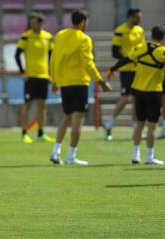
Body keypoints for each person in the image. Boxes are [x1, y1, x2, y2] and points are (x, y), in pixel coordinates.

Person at [49, 10, 112, 165]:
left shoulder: (61, 35)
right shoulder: (84, 39)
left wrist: (55, 80)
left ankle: (56, 151)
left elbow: (54, 58)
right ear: (83, 22)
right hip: (79, 82)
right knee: (78, 118)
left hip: (64, 83)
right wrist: (100, 81)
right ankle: (71, 156)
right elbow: (88, 63)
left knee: (67, 116)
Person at [107, 26, 165, 165]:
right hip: (154, 92)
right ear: (163, 38)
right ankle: (149, 157)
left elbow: (126, 59)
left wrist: (112, 69)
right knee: (152, 126)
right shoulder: (162, 52)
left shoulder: (140, 48)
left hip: (138, 91)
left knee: (139, 124)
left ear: (151, 35)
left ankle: (135, 155)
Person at [104, 8, 145, 141]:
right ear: (130, 17)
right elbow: (114, 52)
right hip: (126, 69)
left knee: (136, 99)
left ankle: (135, 128)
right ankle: (109, 122)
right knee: (127, 97)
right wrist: (128, 59)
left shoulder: (140, 31)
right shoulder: (120, 30)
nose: (139, 20)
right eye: (137, 17)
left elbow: (143, 49)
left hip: (138, 69)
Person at [15, 12, 55, 144]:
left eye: (34, 22)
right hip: (30, 77)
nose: (32, 24)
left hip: (43, 76)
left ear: (40, 23)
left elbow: (51, 56)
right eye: (30, 22)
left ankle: (41, 133)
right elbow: (17, 55)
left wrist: (50, 73)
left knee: (42, 106)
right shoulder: (26, 36)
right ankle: (24, 133)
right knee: (27, 105)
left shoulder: (48, 37)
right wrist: (22, 71)